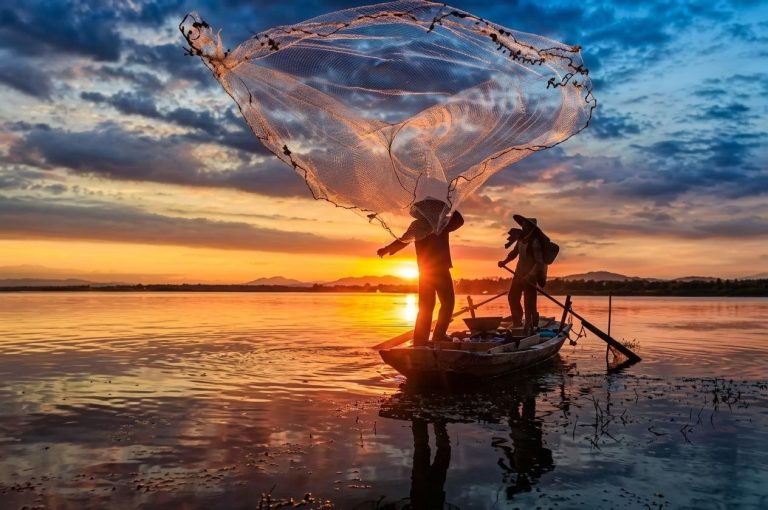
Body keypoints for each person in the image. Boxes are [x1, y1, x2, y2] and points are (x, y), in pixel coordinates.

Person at [378, 199, 464, 346]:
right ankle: (439, 336)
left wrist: (386, 249)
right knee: (447, 302)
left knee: (425, 306)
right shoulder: (441, 224)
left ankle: (420, 340)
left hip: (424, 271)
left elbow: (403, 241)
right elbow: (459, 220)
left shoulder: (419, 225)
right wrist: (451, 205)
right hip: (439, 269)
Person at [498, 215, 547, 335]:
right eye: (523, 224)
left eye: (526, 224)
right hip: (518, 273)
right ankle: (517, 322)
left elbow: (539, 262)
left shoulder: (535, 242)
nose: (523, 226)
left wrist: (530, 275)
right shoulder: (521, 239)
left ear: (531, 228)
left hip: (530, 277)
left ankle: (531, 326)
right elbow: (514, 253)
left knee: (529, 303)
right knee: (512, 297)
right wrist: (504, 262)